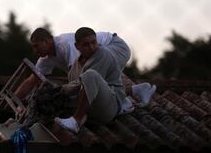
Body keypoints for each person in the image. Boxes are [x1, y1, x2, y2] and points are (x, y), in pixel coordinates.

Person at [15, 28, 155, 107]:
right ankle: (134, 92)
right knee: (95, 80)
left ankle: (131, 95)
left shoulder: (65, 45)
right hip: (104, 54)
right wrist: (12, 100)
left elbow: (78, 76)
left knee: (90, 75)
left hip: (116, 47)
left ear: (47, 41)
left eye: (36, 46)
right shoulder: (45, 59)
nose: (34, 50)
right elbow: (31, 80)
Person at [54, 27, 127, 133]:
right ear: (76, 46)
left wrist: (60, 89)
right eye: (86, 45)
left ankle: (77, 120)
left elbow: (80, 83)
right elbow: (73, 89)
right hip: (90, 110)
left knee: (90, 75)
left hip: (109, 106)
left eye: (94, 42)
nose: (92, 47)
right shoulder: (75, 65)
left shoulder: (103, 54)